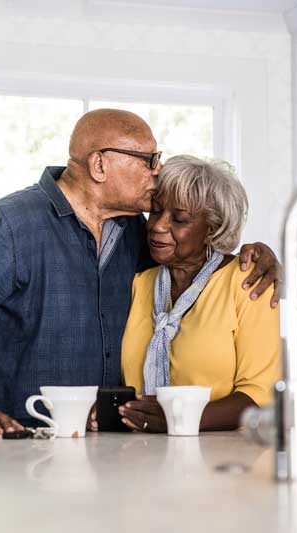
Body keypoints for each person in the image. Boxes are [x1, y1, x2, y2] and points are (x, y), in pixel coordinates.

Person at [0, 109, 282, 435]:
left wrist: (259, 255)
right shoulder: (10, 226)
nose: (158, 171)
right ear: (100, 164)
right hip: (15, 445)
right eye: (149, 159)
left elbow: (198, 258)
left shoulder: (134, 232)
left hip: (109, 452)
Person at [118, 155, 281, 433]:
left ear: (212, 229)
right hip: (139, 447)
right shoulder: (140, 283)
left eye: (179, 219)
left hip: (223, 452)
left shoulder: (249, 280)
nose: (158, 226)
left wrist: (177, 417)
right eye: (155, 211)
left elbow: (260, 395)